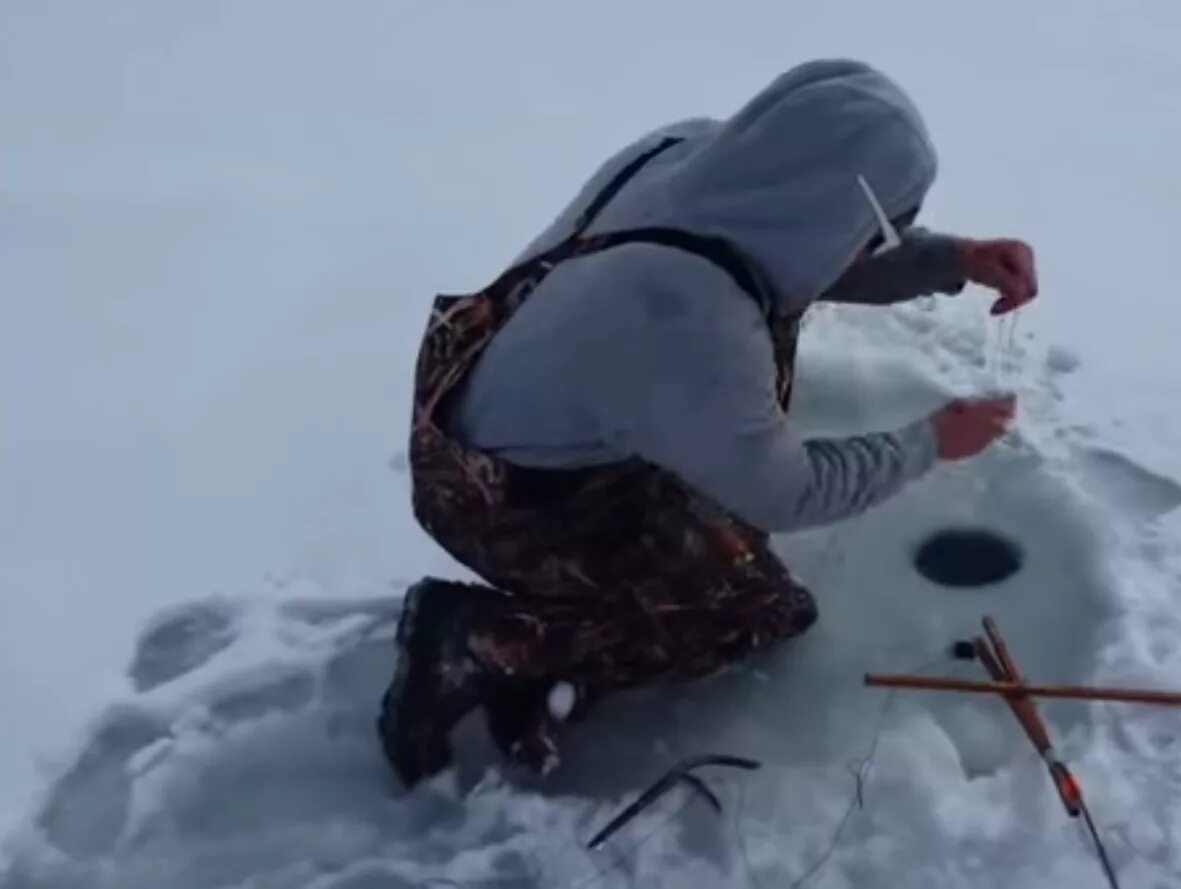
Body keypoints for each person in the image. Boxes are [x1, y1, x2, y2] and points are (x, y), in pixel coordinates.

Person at [378, 58, 1039, 787]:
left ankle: (548, 662)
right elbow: (786, 494)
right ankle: (482, 641)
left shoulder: (688, 153)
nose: (876, 245)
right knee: (749, 612)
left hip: (506, 393)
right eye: (880, 228)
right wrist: (930, 441)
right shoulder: (693, 324)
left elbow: (804, 246)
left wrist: (954, 259)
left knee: (718, 530)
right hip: (503, 496)